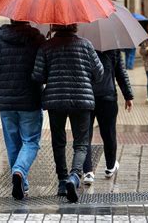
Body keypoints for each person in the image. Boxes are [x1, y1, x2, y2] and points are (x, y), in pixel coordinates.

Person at [32, 24, 104, 203]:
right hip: (82, 99)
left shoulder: (47, 46)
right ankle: (74, 176)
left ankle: (62, 181)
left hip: (56, 100)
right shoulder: (86, 45)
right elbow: (99, 73)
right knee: (81, 142)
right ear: (75, 26)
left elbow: (37, 76)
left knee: (58, 142)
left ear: (55, 26)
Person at [0, 20, 46, 200]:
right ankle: (19, 171)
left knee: (13, 144)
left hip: (6, 103)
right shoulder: (36, 40)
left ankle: (21, 183)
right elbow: (43, 70)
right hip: (30, 101)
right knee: (31, 141)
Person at [82, 49, 134, 185]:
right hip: (108, 97)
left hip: (86, 97)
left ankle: (87, 172)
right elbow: (121, 73)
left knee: (85, 134)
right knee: (109, 133)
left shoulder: (83, 45)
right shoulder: (113, 48)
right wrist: (128, 95)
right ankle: (110, 166)